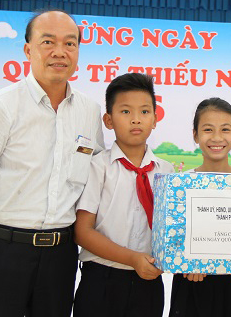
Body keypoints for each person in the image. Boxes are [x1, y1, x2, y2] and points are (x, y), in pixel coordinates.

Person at [0, 9, 104, 317]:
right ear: (28, 49)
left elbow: (95, 184)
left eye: (70, 44)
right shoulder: (1, 107)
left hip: (60, 257)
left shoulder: (89, 111)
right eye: (48, 42)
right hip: (1, 253)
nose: (60, 52)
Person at [73, 73, 174, 317]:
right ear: (108, 120)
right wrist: (132, 258)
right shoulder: (97, 166)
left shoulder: (166, 172)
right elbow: (82, 232)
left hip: (148, 282)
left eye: (145, 112)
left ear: (155, 119)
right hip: (101, 279)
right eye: (126, 112)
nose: (136, 120)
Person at [169, 97, 231, 317]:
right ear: (195, 135)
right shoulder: (179, 185)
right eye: (208, 129)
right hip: (190, 286)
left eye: (225, 129)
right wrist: (183, 262)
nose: (217, 138)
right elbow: (172, 240)